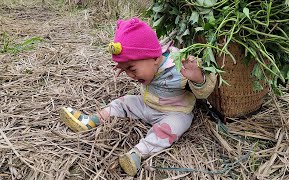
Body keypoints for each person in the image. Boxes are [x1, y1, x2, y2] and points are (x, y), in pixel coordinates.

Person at [59, 17, 217, 176]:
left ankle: (138, 153)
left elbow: (204, 92)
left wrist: (198, 78)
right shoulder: (148, 57)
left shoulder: (180, 68)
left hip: (175, 112)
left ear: (155, 58)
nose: (130, 75)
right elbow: (137, 54)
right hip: (147, 105)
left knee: (171, 128)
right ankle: (91, 120)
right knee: (124, 102)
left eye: (132, 69)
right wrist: (126, 64)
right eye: (125, 69)